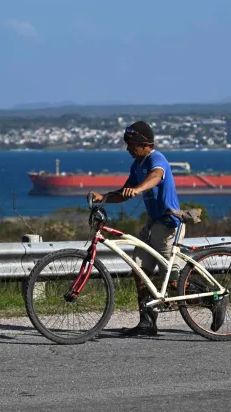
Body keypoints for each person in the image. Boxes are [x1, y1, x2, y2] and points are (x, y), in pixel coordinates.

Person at [89, 121, 220, 336]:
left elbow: (156, 176)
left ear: (142, 144)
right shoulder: (137, 165)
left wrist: (139, 188)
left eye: (130, 144)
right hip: (152, 225)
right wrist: (104, 198)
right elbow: (125, 192)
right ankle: (147, 322)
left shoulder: (156, 159)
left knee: (173, 282)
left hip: (169, 226)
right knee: (140, 271)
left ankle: (213, 300)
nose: (127, 148)